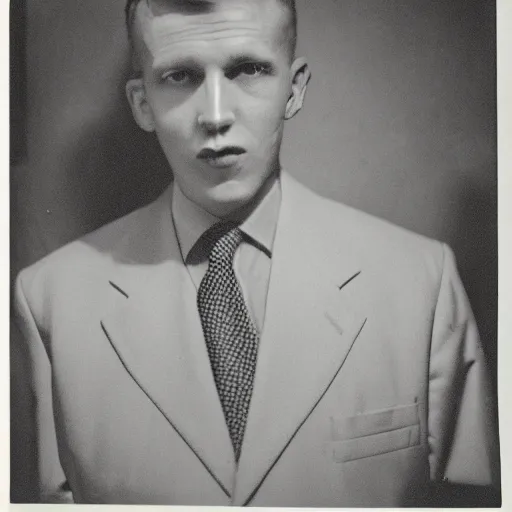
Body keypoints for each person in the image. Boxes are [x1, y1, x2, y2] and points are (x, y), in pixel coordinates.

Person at [13, 0, 499, 506]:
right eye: (180, 76)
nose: (216, 115)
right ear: (141, 104)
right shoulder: (49, 301)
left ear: (294, 87)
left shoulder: (420, 282)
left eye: (248, 69)